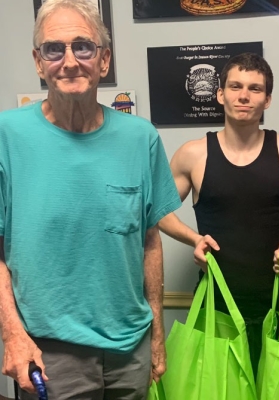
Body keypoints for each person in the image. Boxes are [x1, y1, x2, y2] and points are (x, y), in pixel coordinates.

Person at [0, 0, 181, 398]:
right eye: (54, 49)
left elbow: (150, 241)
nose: (69, 62)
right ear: (38, 62)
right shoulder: (6, 136)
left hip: (129, 350)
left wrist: (156, 334)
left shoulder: (141, 138)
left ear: (104, 60)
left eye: (83, 46)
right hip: (48, 351)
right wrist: (12, 335)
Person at [159, 52, 279, 372]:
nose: (244, 96)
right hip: (215, 305)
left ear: (267, 100)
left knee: (276, 391)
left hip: (274, 305)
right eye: (235, 86)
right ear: (221, 94)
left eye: (255, 88)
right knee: (217, 391)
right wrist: (194, 239)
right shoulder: (193, 154)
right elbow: (158, 210)